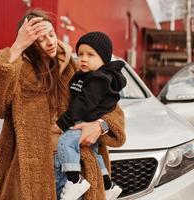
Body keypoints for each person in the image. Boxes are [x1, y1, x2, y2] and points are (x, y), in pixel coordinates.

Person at [0, 9, 126, 200]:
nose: (50, 41)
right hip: (30, 174)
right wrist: (16, 47)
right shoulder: (16, 71)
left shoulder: (77, 67)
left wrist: (100, 126)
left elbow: (113, 109)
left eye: (51, 34)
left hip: (77, 171)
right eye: (40, 39)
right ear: (29, 43)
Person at [56, 32, 126, 200]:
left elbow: (84, 103)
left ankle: (75, 180)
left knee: (65, 141)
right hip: (84, 124)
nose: (83, 59)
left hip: (82, 123)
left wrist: (62, 123)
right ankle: (108, 185)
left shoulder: (98, 79)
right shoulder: (86, 75)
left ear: (104, 59)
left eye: (90, 55)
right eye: (80, 54)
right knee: (95, 155)